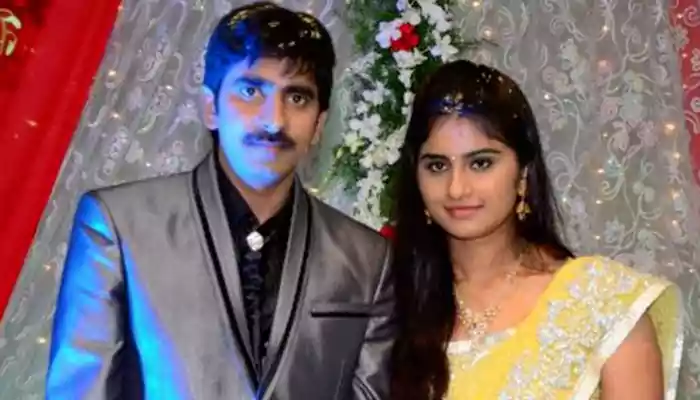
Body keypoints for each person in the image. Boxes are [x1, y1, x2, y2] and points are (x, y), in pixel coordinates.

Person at [46, 3, 395, 399]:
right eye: (251, 91)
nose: (274, 120)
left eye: (297, 97)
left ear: (319, 124)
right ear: (211, 107)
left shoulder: (366, 259)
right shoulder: (120, 227)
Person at [388, 60, 683, 400]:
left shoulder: (603, 303)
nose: (456, 188)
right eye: (437, 166)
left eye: (481, 163)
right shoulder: (391, 304)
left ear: (523, 172)